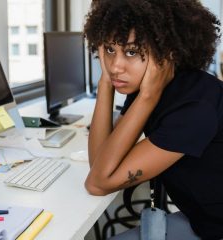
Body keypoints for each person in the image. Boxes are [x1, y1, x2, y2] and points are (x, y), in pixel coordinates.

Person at [83, 0, 223, 239]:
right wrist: (105, 84)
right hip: (201, 219)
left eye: (131, 52)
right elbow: (99, 163)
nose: (115, 66)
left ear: (167, 53)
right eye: (108, 50)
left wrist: (148, 96)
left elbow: (98, 183)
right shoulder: (149, 86)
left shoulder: (195, 106)